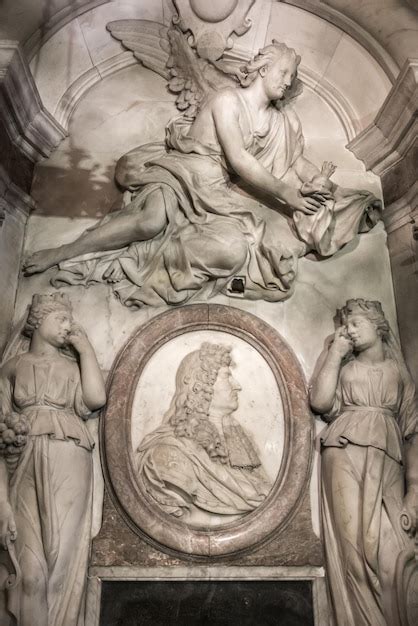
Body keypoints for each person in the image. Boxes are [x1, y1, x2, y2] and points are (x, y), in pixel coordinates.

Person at [23, 42, 380, 307]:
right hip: (183, 174)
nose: (288, 82)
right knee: (149, 223)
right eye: (283, 73)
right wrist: (288, 195)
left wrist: (325, 186)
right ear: (262, 69)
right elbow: (240, 160)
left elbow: (296, 163)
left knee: (238, 248)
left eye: (293, 77)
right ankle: (65, 250)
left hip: (219, 193)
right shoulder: (227, 100)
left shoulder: (280, 121)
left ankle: (170, 261)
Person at [309, 298, 418, 626]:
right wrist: (335, 353)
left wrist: (414, 491)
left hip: (387, 456)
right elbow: (320, 401)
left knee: (387, 550)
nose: (349, 331)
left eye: (355, 323)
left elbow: (413, 432)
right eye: (345, 325)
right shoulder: (343, 365)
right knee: (353, 551)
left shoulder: (398, 372)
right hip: (342, 451)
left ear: (378, 325)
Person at [0, 293, 106, 626]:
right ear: (37, 320)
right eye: (60, 319)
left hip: (70, 455)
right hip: (23, 461)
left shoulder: (73, 367)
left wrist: (86, 348)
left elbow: (95, 399)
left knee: (61, 565)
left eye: (70, 321)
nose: (68, 326)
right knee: (29, 573)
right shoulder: (13, 368)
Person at [136, 342, 272, 525]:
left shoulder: (240, 442)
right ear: (200, 385)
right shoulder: (169, 453)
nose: (237, 386)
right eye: (227, 377)